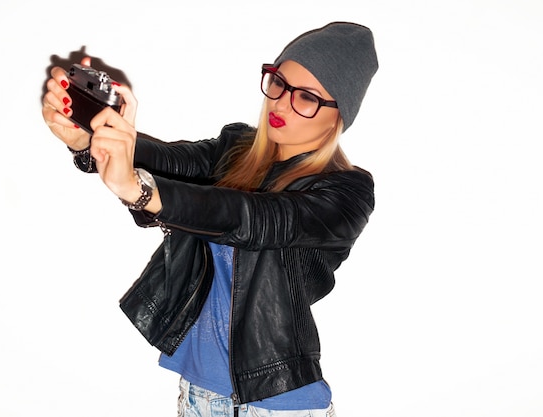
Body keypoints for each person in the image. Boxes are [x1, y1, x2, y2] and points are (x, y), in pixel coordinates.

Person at [42, 21, 378, 417]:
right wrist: (88, 138)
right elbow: (171, 162)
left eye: (306, 97)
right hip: (200, 395)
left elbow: (253, 219)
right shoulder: (236, 149)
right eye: (279, 83)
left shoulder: (346, 192)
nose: (281, 103)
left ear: (339, 114)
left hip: (278, 406)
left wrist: (139, 189)